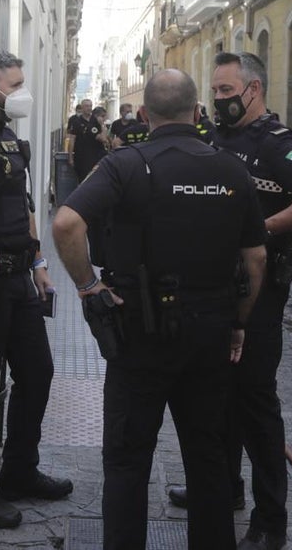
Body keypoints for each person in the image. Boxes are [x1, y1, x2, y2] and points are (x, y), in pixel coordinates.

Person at [52, 69, 268, 550]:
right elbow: (255, 258)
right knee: (207, 457)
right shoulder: (232, 169)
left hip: (139, 333)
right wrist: (238, 321)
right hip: (210, 332)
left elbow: (66, 223)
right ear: (197, 114)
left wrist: (89, 288)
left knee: (128, 461)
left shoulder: (124, 164)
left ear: (145, 115)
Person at [167, 52, 292, 550]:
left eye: (226, 92)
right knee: (220, 396)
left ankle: (271, 519)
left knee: (256, 403)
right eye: (214, 92)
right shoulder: (218, 138)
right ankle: (225, 492)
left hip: (261, 292)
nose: (217, 100)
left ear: (254, 89)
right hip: (219, 290)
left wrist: (261, 229)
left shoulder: (275, 143)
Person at [0, 49, 72, 528]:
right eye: (16, 83)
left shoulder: (7, 137)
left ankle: (19, 471)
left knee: (37, 372)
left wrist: (40, 262)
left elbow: (22, 205)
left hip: (19, 279)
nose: (22, 92)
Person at [67, 98, 108, 181]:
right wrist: (70, 157)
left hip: (97, 156)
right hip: (82, 157)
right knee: (83, 181)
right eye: (86, 106)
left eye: (90, 106)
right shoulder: (76, 122)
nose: (89, 108)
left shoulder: (96, 121)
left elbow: (104, 139)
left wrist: (102, 125)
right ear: (81, 108)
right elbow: (72, 140)